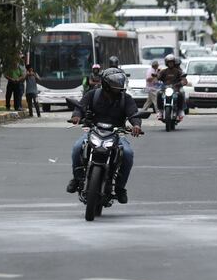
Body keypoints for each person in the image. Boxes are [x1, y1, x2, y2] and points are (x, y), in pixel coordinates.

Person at [67, 68, 143, 204]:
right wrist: (76, 117)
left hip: (117, 133)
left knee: (127, 153)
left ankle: (120, 188)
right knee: (77, 147)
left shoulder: (126, 99)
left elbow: (133, 114)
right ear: (106, 84)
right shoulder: (93, 95)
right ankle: (77, 179)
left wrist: (136, 125)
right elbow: (80, 107)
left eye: (120, 83)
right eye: (115, 83)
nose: (118, 86)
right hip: (94, 130)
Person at [156, 54, 187, 120]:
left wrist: (183, 81)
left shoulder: (178, 71)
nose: (171, 64)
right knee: (158, 93)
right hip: (165, 89)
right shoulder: (164, 71)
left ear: (174, 62)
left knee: (181, 94)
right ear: (167, 63)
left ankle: (180, 111)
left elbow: (183, 78)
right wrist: (156, 75)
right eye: (169, 62)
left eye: (172, 62)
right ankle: (160, 111)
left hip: (175, 89)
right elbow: (158, 77)